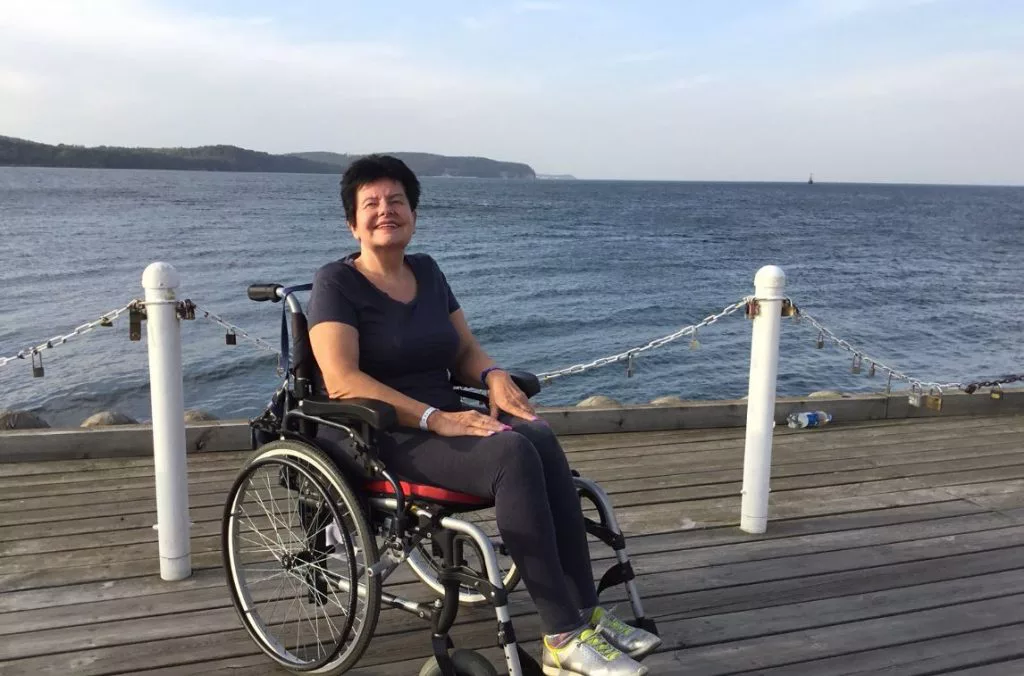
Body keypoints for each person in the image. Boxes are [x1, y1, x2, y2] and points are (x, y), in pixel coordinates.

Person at [307, 155, 661, 676]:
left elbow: (464, 350)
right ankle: (561, 637)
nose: (386, 211)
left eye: (397, 201)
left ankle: (585, 614)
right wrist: (436, 418)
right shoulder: (336, 283)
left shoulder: (427, 272)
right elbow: (342, 379)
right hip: (378, 434)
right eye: (372, 203)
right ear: (352, 224)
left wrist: (493, 375)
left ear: (413, 214)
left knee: (536, 433)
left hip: (442, 421)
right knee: (511, 453)